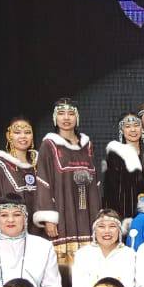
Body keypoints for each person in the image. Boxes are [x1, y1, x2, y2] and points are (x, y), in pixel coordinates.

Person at [33, 98, 100, 264]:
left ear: (77, 117)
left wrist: (98, 215)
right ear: (55, 118)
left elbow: (96, 183)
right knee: (63, 264)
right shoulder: (49, 145)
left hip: (87, 211)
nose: (66, 118)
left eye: (71, 113)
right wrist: (49, 218)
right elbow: (43, 181)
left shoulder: (87, 145)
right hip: (63, 211)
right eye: (61, 113)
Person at [0, 117, 45, 235]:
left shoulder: (42, 165)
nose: (23, 136)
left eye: (27, 132)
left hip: (43, 238)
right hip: (11, 238)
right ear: (8, 135)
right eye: (17, 132)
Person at [71, 209, 137, 287]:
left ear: (119, 230)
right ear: (94, 230)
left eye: (112, 226)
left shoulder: (129, 254)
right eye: (101, 226)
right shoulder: (82, 254)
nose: (107, 231)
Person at [102, 112, 144, 218]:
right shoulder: (115, 154)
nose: (133, 130)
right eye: (127, 126)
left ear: (142, 128)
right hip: (124, 210)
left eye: (136, 125)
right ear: (121, 130)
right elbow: (110, 189)